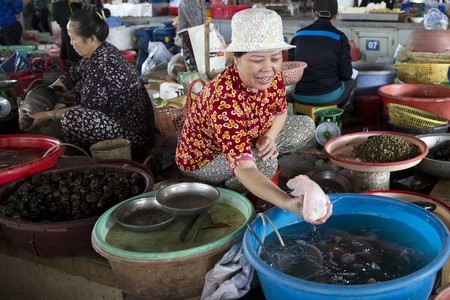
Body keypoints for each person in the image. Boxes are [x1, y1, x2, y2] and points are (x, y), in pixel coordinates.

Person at [175, 8, 332, 224]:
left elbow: (280, 112)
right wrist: (287, 202)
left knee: (305, 125)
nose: (268, 68)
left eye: (275, 58)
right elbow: (245, 166)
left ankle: (252, 169)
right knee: (265, 164)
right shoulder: (223, 97)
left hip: (249, 135)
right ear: (236, 59)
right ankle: (234, 189)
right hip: (205, 160)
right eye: (257, 60)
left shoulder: (272, 76)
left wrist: (269, 137)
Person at [25, 9, 155, 152]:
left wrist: (48, 115)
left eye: (73, 38)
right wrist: (48, 95)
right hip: (115, 118)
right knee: (68, 97)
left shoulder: (101, 64)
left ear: (91, 39)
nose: (71, 43)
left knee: (72, 118)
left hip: (131, 132)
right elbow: (69, 78)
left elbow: (89, 108)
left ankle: (82, 152)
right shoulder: (99, 51)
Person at [288, 0, 354, 107]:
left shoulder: (298, 35)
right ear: (336, 14)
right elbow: (346, 75)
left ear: (313, 13)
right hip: (329, 96)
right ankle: (340, 117)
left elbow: (290, 68)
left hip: (299, 95)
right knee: (353, 79)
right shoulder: (339, 37)